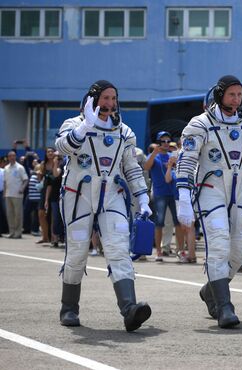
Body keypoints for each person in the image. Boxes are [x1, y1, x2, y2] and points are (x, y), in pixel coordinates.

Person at [176, 75, 242, 328]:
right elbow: (187, 160)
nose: (236, 99)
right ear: (220, 95)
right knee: (219, 243)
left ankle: (211, 290)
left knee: (240, 249)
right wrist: (183, 197)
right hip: (211, 190)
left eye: (239, 95)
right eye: (231, 94)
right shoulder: (200, 124)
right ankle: (224, 307)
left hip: (241, 191)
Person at [55, 80, 152, 331]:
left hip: (111, 196)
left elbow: (131, 167)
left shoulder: (124, 131)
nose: (110, 103)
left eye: (113, 98)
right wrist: (86, 126)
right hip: (78, 196)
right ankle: (69, 308)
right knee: (77, 253)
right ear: (93, 100)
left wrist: (142, 198)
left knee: (119, 249)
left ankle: (129, 308)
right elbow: (62, 148)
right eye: (105, 98)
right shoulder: (74, 125)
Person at [143, 131, 187, 262]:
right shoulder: (154, 155)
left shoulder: (171, 155)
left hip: (173, 193)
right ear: (158, 143)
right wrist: (154, 153)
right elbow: (146, 167)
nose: (167, 144)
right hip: (160, 193)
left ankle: (180, 251)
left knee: (178, 222)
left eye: (169, 141)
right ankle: (159, 252)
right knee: (159, 223)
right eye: (163, 141)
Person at [3, 150, 28, 239]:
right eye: (10, 156)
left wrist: (22, 189)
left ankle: (18, 232)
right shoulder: (6, 168)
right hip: (8, 194)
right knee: (10, 214)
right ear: (8, 157)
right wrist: (5, 192)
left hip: (17, 194)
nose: (12, 157)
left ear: (15, 157)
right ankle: (11, 232)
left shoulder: (20, 167)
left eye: (13, 156)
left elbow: (25, 180)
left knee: (18, 214)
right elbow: (5, 181)